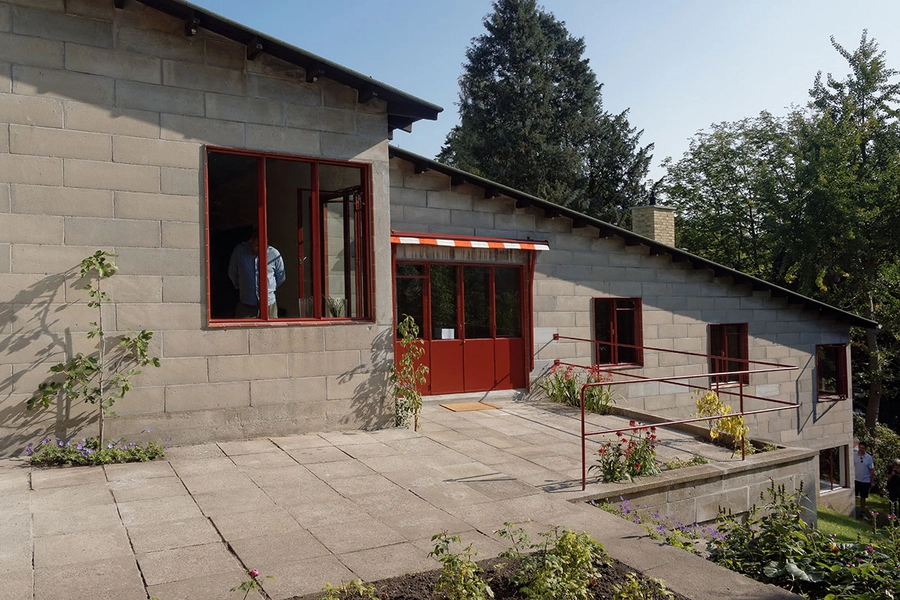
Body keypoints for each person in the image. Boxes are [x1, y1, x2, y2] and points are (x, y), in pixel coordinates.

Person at [228, 228, 285, 318]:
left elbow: (281, 276)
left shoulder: (274, 254)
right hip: (246, 304)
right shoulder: (240, 251)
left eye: (264, 246)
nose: (260, 249)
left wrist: (269, 288)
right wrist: (242, 286)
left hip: (269, 305)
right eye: (257, 246)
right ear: (251, 241)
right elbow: (232, 272)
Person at [854, 441, 876, 515]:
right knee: (853, 495)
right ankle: (852, 511)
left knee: (863, 496)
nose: (861, 449)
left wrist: (872, 481)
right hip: (855, 479)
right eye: (860, 447)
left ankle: (862, 512)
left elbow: (871, 470)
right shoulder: (854, 455)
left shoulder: (869, 458)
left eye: (863, 448)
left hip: (865, 480)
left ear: (865, 449)